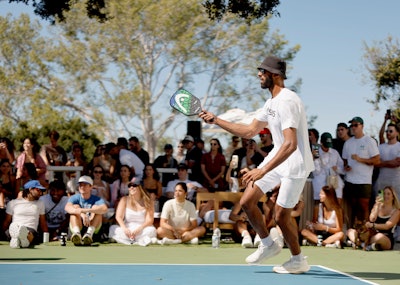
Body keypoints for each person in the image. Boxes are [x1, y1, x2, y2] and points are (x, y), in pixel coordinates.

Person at [200, 55, 314, 274]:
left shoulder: (288, 100)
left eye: (263, 71)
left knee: (281, 215)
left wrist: (262, 169)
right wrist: (216, 120)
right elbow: (250, 131)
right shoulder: (271, 102)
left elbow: (290, 144)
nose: (259, 75)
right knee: (246, 201)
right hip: (277, 156)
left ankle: (298, 259)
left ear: (275, 75)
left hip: (295, 163)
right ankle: (268, 244)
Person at [342, 116, 380, 227]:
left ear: (362, 126)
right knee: (353, 207)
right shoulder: (348, 143)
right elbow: (345, 161)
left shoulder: (369, 141)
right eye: (352, 125)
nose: (353, 127)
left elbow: (377, 160)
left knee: (364, 207)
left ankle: (366, 231)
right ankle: (353, 231)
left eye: (356, 125)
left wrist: (360, 159)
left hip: (364, 180)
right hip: (350, 179)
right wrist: (346, 166)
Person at [347, 186, 400, 250]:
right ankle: (365, 245)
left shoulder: (397, 211)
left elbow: (387, 226)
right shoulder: (377, 205)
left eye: (388, 194)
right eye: (384, 194)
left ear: (393, 197)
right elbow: (372, 219)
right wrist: (377, 205)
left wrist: (373, 225)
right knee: (350, 231)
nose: (386, 196)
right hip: (371, 235)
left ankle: (359, 244)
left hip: (386, 238)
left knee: (380, 237)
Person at [2, 180, 48, 248]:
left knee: (28, 233)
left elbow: (43, 223)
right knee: (12, 231)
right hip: (14, 228)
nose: (40, 193)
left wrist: (47, 237)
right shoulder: (12, 203)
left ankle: (19, 239)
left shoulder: (40, 203)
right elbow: (7, 221)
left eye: (41, 191)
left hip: (30, 229)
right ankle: (22, 240)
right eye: (38, 190)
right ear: (30, 189)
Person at [64, 175, 108, 246]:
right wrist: (82, 213)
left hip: (92, 225)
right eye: (80, 185)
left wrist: (88, 210)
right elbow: (67, 208)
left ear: (91, 187)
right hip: (79, 224)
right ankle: (77, 234)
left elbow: (104, 209)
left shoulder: (97, 199)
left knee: (96, 208)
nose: (82, 187)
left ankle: (89, 234)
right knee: (75, 207)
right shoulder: (74, 198)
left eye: (85, 185)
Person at [311, 132, 345, 205]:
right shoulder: (316, 152)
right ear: (321, 142)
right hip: (320, 182)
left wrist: (337, 169)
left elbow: (342, 169)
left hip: (334, 182)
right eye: (325, 145)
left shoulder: (334, 152)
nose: (327, 148)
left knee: (337, 204)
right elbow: (316, 171)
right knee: (320, 206)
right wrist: (314, 159)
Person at [374, 123, 400, 198]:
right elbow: (375, 163)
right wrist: (390, 162)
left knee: (396, 205)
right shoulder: (380, 147)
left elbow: (397, 163)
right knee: (380, 203)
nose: (388, 133)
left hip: (396, 183)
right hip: (381, 183)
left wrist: (381, 162)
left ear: (397, 133)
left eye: (391, 131)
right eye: (387, 131)